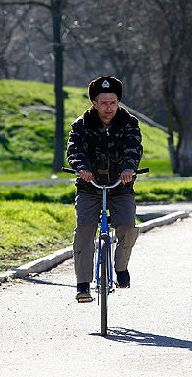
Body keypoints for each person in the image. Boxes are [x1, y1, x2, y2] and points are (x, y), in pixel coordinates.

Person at [66, 76, 143, 302]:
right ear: (94, 103)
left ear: (118, 102)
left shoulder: (129, 122)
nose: (109, 107)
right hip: (90, 187)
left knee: (128, 226)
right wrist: (82, 168)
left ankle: (120, 269)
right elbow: (74, 150)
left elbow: (134, 148)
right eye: (104, 103)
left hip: (121, 186)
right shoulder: (81, 124)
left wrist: (129, 168)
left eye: (113, 102)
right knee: (84, 230)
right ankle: (83, 285)